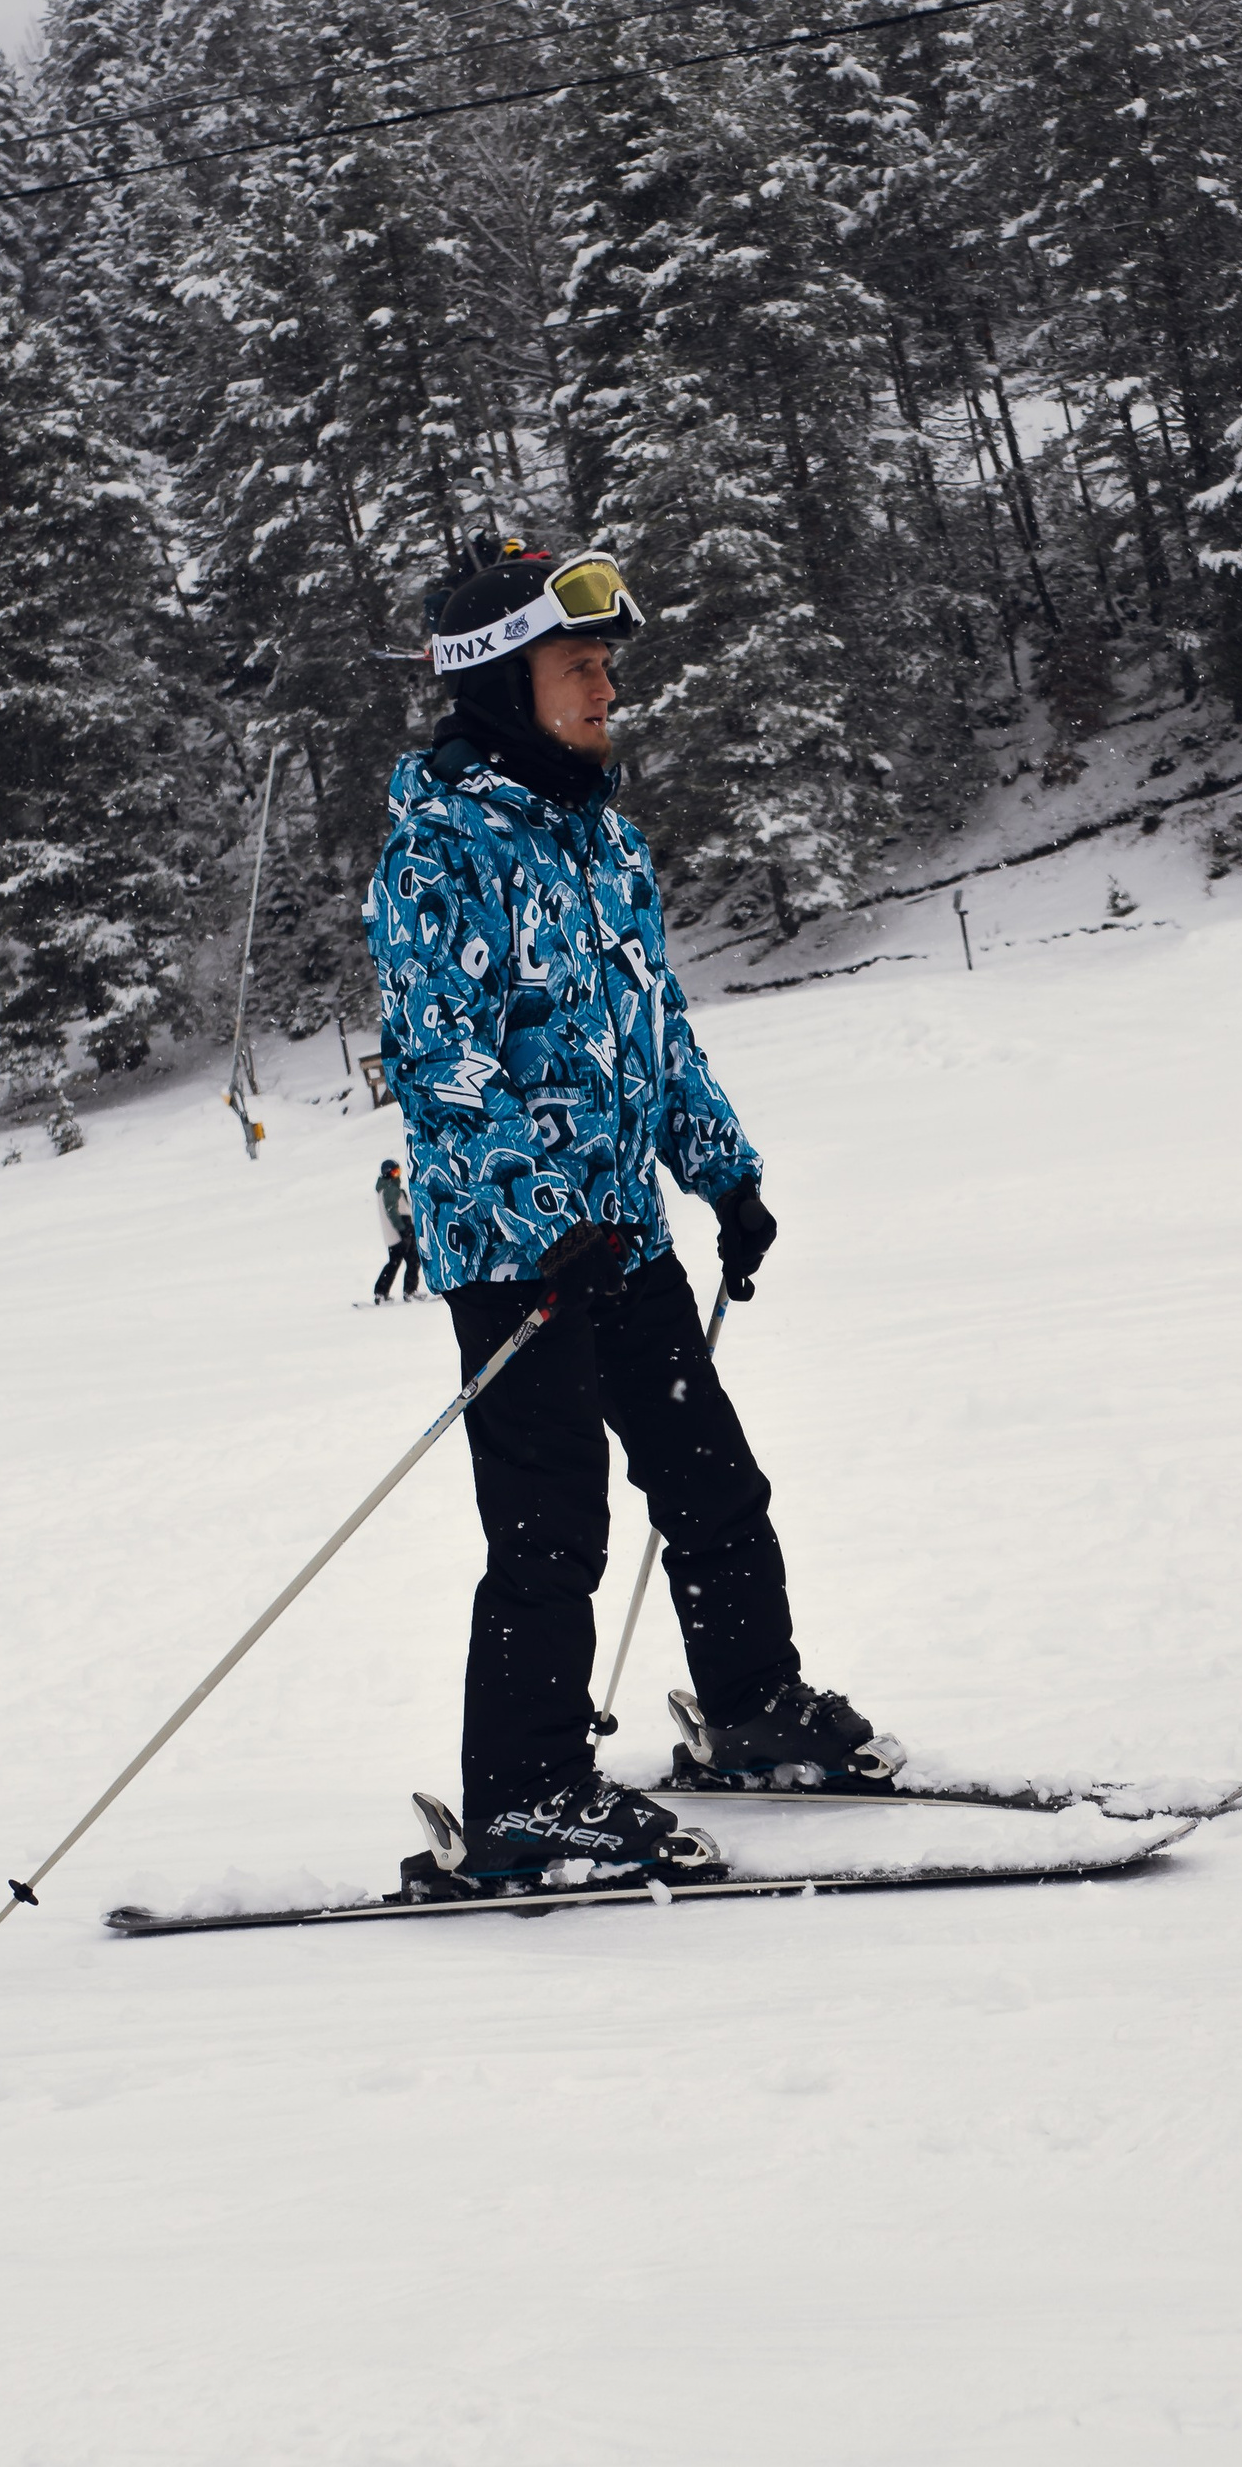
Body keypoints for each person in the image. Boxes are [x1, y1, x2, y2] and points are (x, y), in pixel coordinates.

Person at [363, 535, 888, 1891]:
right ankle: (528, 1796)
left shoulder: (602, 835)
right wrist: (537, 1215)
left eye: (606, 667)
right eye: (578, 667)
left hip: (629, 1239)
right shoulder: (439, 850)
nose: (605, 691)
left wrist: (724, 1172)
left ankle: (754, 1710)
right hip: (517, 1259)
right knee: (552, 1538)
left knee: (715, 1484)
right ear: (497, 683)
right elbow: (440, 1057)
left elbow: (654, 1032)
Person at [372, 1159, 421, 1302]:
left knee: (400, 1261)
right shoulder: (390, 1189)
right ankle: (407, 1291)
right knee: (407, 1260)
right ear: (387, 1173)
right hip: (400, 1230)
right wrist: (403, 1229)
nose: (397, 1175)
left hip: (398, 1230)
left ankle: (383, 1292)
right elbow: (392, 1210)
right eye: (394, 1172)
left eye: (398, 1171)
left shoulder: (388, 1188)